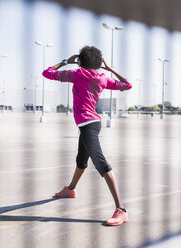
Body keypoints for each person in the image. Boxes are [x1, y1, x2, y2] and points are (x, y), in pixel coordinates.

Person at [42, 45, 132, 226]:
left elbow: (47, 72)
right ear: (99, 63)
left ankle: (121, 210)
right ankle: (71, 189)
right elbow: (127, 85)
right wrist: (109, 68)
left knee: (101, 164)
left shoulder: (76, 74)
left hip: (88, 126)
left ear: (81, 62)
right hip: (92, 124)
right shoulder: (103, 77)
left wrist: (66, 61)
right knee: (81, 160)